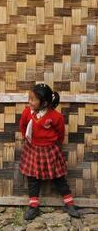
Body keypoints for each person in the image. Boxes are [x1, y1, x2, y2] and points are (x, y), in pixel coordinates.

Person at [19, 83, 80, 220]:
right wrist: (26, 137)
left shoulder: (56, 117)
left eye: (33, 99)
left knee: (58, 178)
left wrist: (53, 146)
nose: (30, 102)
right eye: (29, 98)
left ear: (44, 102)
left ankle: (69, 203)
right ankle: (33, 206)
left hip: (50, 150)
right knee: (33, 178)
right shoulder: (27, 112)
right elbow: (23, 125)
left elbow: (60, 133)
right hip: (32, 149)